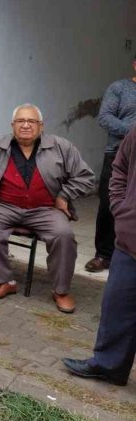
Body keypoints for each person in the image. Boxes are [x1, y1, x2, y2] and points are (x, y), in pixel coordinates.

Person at [0, 104, 94, 314]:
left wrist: (64, 196)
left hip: (45, 208)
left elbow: (85, 177)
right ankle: (5, 281)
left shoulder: (61, 146)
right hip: (5, 205)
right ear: (12, 125)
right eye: (20, 121)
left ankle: (60, 290)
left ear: (41, 125)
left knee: (64, 234)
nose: (25, 125)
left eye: (31, 121)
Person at [63, 123, 136, 386]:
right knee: (117, 308)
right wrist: (122, 207)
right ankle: (109, 366)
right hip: (130, 242)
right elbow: (121, 167)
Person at [89, 60, 136, 273]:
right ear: (134, 64)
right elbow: (105, 117)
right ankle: (104, 255)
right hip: (118, 153)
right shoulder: (119, 88)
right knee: (109, 204)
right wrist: (132, 135)